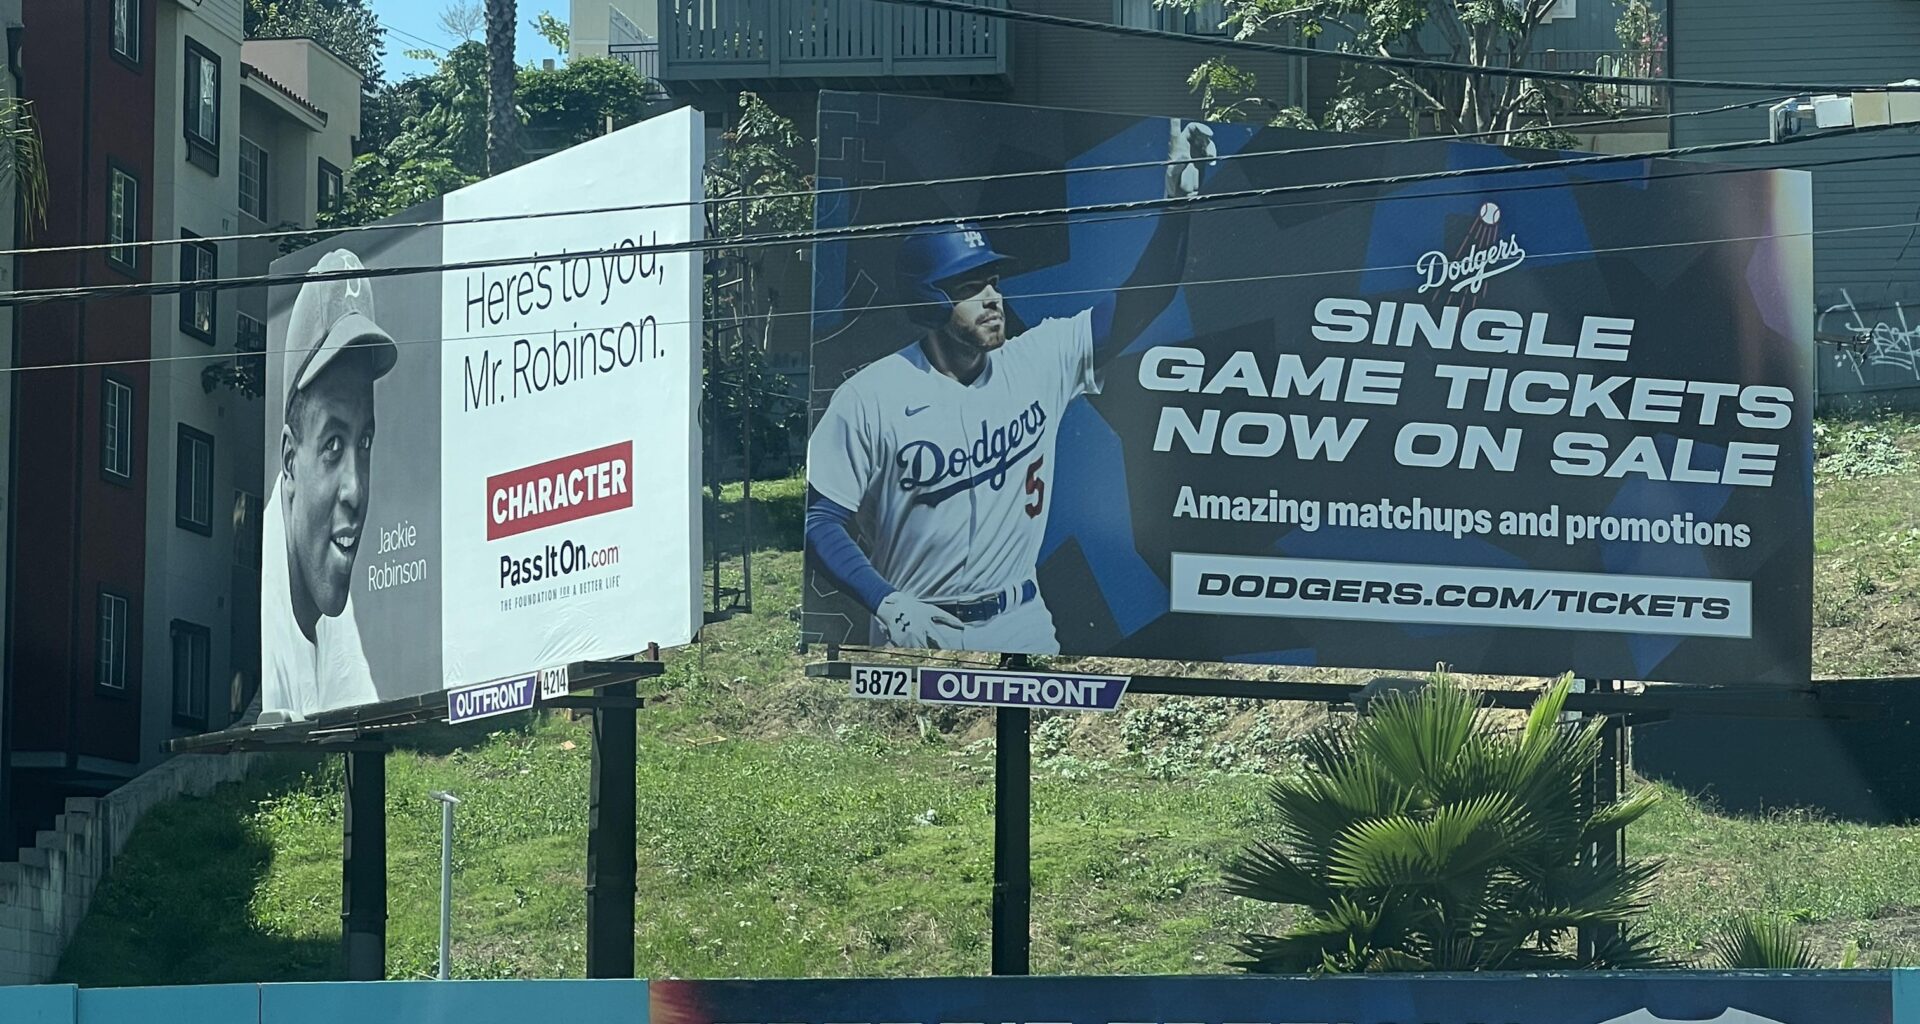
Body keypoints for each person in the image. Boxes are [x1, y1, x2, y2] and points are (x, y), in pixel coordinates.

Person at [806, 119, 1216, 653]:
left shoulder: (1037, 361)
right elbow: (821, 519)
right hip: (915, 624)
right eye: (970, 287)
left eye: (993, 282)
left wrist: (1177, 207)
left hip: (1019, 619)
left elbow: (1143, 301)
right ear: (930, 300)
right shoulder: (870, 397)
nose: (992, 298)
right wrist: (885, 601)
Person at [261, 249, 398, 721]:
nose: (355, 492)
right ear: (289, 462)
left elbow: (362, 714)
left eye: (364, 442)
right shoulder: (270, 619)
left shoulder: (323, 584)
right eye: (333, 445)